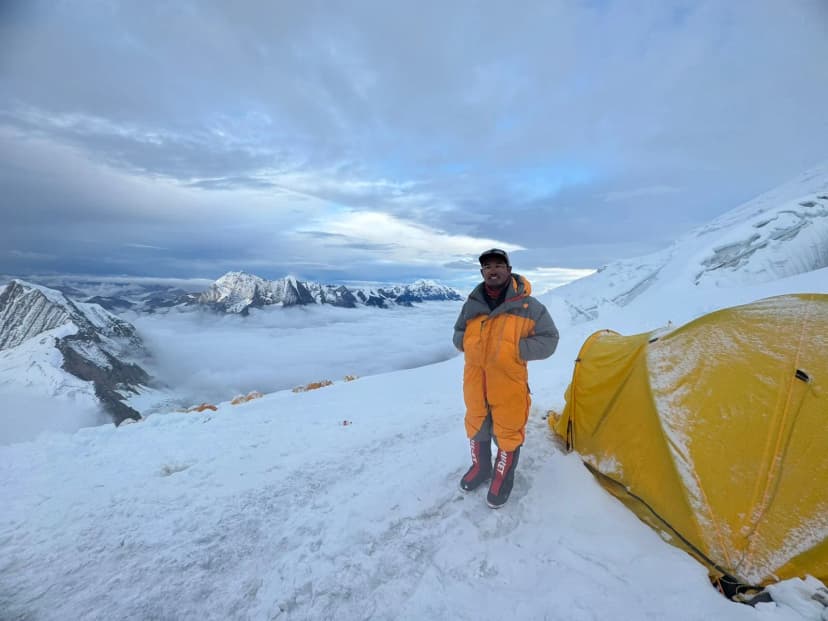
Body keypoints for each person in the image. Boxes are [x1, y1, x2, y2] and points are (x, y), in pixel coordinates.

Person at [452, 248, 559, 508]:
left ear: (509, 271)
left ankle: (503, 476)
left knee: (508, 430)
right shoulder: (472, 305)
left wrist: (516, 350)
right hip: (475, 382)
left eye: (499, 265)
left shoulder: (528, 306)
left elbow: (549, 339)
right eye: (487, 266)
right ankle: (481, 468)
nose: (493, 270)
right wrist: (466, 343)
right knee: (477, 423)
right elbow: (459, 332)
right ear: (482, 273)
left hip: (509, 383)